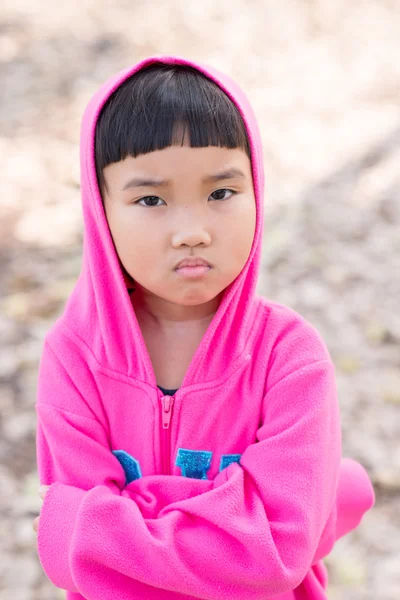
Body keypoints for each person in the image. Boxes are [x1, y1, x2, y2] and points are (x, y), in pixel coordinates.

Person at [34, 54, 375, 600]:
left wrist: (108, 525)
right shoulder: (75, 357)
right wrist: (228, 522)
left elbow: (276, 551)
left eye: (220, 193)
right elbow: (77, 560)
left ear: (257, 190)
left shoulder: (289, 357)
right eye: (150, 199)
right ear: (101, 212)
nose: (191, 231)